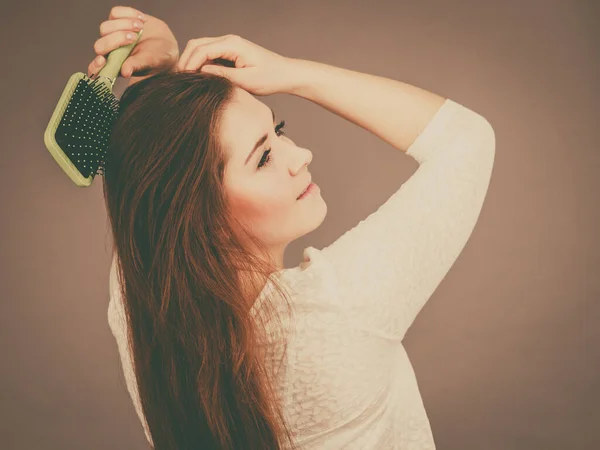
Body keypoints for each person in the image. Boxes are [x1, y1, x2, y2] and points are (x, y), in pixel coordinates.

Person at [93, 6, 496, 450]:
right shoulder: (338, 312)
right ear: (199, 214)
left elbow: (153, 191)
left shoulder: (141, 315)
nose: (300, 154)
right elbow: (466, 140)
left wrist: (165, 77)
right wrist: (290, 73)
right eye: (264, 157)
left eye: (278, 130)